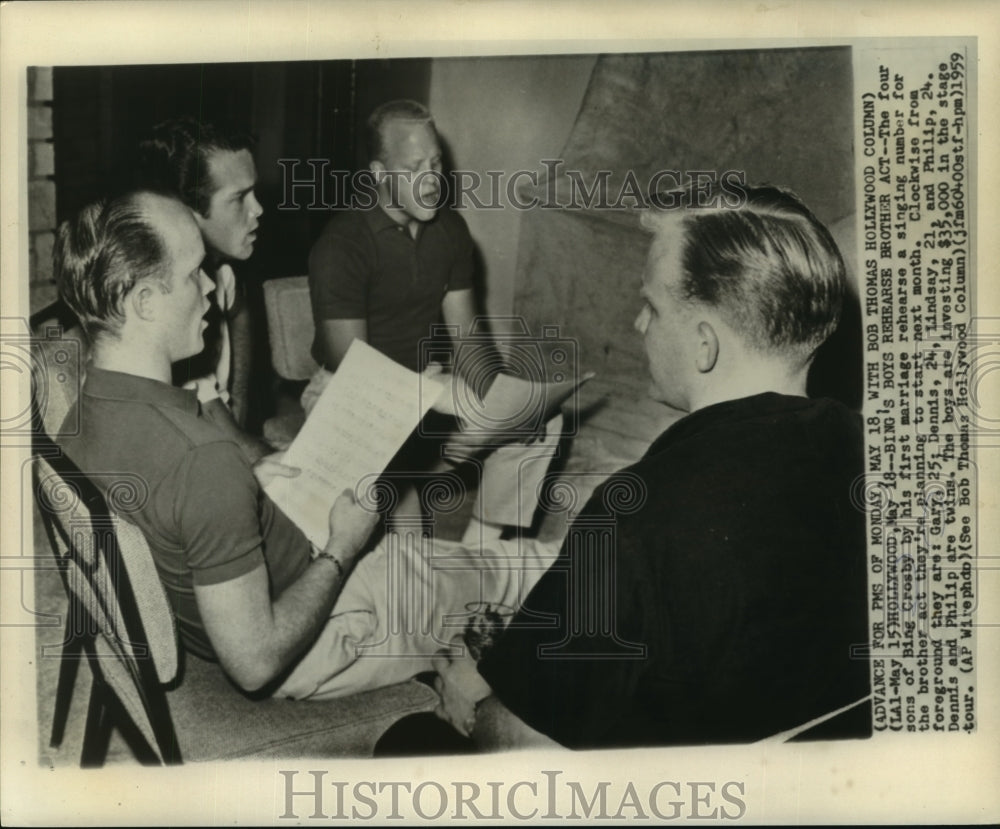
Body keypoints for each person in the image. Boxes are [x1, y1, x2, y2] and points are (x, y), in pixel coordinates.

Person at [53, 190, 558, 701]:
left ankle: (477, 554)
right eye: (192, 274)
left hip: (268, 575)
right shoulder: (202, 461)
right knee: (532, 573)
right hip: (316, 629)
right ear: (143, 302)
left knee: (454, 559)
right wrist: (343, 546)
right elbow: (254, 662)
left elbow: (181, 511)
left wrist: (255, 490)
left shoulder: (80, 414)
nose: (210, 287)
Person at [424, 183, 871, 751]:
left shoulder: (633, 509)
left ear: (705, 344)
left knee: (409, 739)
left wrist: (474, 707)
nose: (638, 324)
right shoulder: (882, 460)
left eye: (652, 306)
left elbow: (529, 752)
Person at [302, 98, 492, 413]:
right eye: (413, 168)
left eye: (436, 163)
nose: (431, 180)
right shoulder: (341, 246)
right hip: (347, 391)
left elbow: (469, 345)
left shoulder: (451, 229)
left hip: (426, 380)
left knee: (538, 421)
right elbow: (354, 374)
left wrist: (502, 407)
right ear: (379, 173)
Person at [136, 116, 270, 461]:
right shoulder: (166, 303)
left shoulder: (222, 272)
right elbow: (231, 446)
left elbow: (239, 309)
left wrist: (238, 404)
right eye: (239, 198)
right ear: (186, 212)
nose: (258, 209)